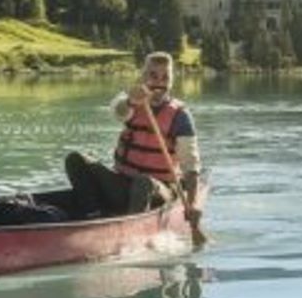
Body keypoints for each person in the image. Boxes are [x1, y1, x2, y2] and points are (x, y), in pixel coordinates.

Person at [65, 51, 204, 227]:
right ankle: (93, 214)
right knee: (75, 159)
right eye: (153, 76)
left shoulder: (180, 117)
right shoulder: (129, 102)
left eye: (165, 77)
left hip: (160, 190)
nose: (159, 83)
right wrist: (131, 102)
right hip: (123, 184)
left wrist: (192, 205)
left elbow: (190, 167)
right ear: (143, 76)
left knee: (143, 182)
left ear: (171, 80)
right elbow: (118, 110)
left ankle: (130, 229)